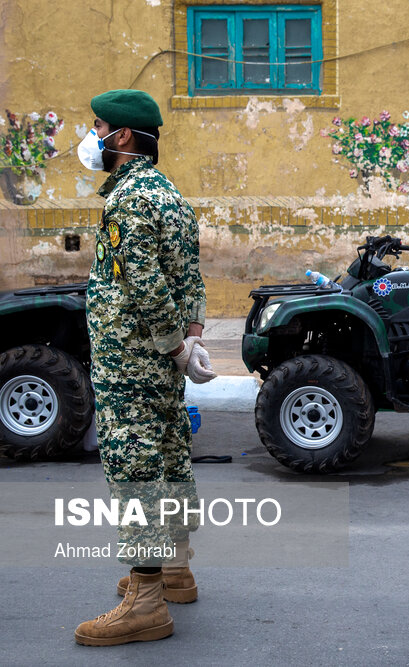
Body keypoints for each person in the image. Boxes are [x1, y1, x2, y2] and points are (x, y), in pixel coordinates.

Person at [73, 89, 216, 646]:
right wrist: (194, 337)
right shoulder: (170, 195)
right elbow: (189, 276)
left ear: (123, 136)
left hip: (132, 361)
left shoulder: (127, 199)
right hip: (159, 364)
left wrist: (175, 345)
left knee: (136, 471)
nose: (93, 136)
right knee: (170, 455)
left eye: (98, 126)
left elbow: (146, 284)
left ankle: (148, 602)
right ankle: (175, 569)